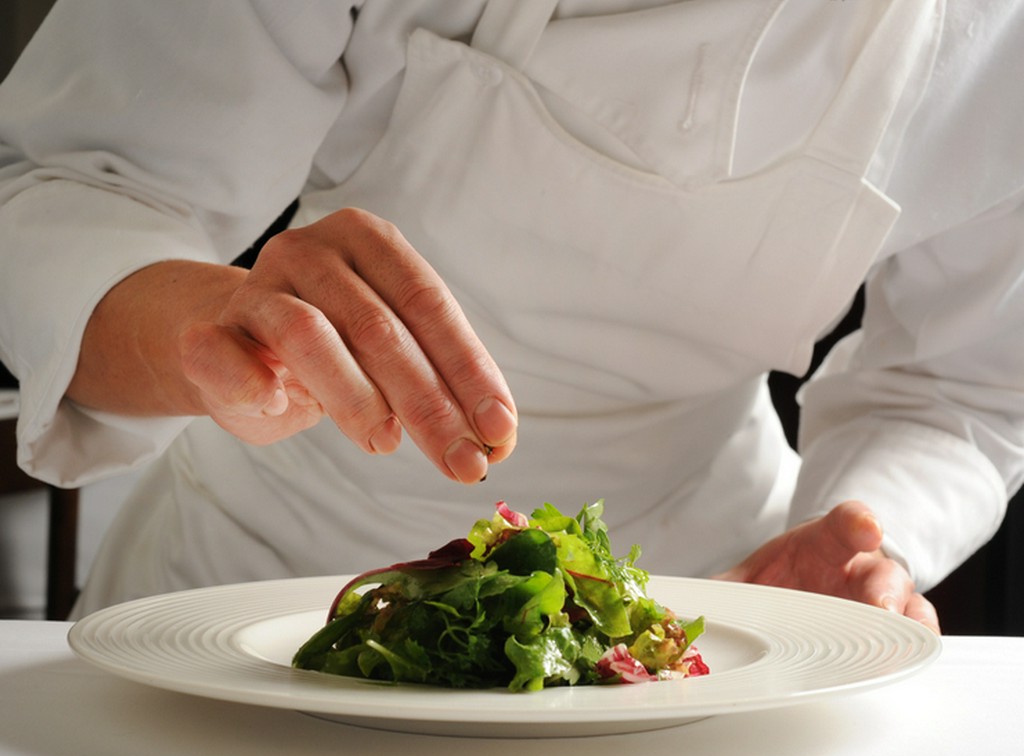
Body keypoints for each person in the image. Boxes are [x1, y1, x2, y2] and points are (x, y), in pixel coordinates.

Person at [1, 0, 1022, 634]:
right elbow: (61, 189)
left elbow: (959, 382)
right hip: (260, 586)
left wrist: (856, 540)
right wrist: (211, 325)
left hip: (691, 618)